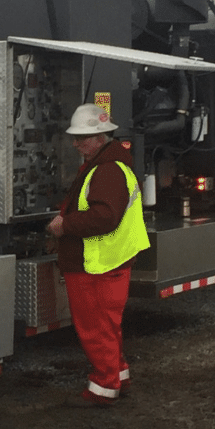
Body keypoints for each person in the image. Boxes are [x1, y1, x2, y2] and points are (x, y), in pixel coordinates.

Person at [47, 103, 149, 406]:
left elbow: (104, 216)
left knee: (95, 328)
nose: (76, 143)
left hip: (98, 264)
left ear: (101, 137)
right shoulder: (110, 165)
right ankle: (119, 375)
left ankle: (103, 389)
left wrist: (65, 225)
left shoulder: (106, 170)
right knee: (107, 325)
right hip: (108, 261)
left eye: (83, 138)